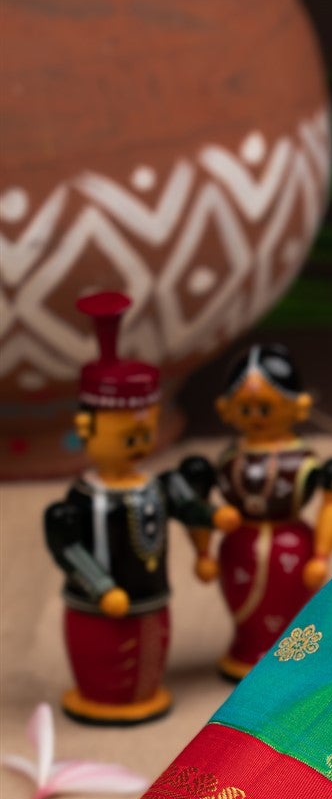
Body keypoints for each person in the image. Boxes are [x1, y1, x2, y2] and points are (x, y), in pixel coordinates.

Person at [43, 292, 217, 724]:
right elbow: (67, 546)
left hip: (152, 604)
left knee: (146, 664)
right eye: (127, 436)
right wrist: (102, 588)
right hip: (96, 612)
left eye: (143, 435)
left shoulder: (154, 486)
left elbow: (187, 507)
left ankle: (142, 695)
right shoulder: (82, 500)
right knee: (103, 669)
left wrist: (213, 519)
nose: (139, 444)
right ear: (86, 427)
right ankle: (100, 698)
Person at [198, 343, 332, 679]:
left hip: (293, 549)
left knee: (290, 611)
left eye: (265, 407)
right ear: (227, 409)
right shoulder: (228, 458)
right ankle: (247, 650)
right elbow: (196, 501)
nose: (256, 416)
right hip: (238, 547)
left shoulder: (305, 461)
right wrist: (203, 550)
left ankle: (289, 656)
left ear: (297, 406)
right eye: (246, 408)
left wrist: (322, 554)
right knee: (245, 612)